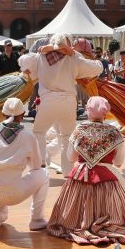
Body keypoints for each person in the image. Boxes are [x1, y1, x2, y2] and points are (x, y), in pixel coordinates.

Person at [47, 97, 125, 246]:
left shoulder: (79, 130)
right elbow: (118, 162)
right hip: (106, 175)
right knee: (124, 194)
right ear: (106, 112)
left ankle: (80, 221)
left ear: (88, 111)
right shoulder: (113, 132)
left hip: (80, 175)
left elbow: (71, 157)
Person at [20, 35, 103, 176]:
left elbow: (22, 61)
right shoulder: (73, 58)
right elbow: (97, 68)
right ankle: (67, 171)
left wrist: (49, 49)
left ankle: (40, 165)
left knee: (39, 132)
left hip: (47, 101)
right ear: (67, 44)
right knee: (66, 137)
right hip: (68, 102)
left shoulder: (39, 57)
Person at [0, 97, 49, 232]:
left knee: (2, 212)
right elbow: (36, 166)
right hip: (13, 191)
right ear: (22, 115)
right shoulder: (27, 136)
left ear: (3, 114)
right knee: (43, 174)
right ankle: (37, 220)